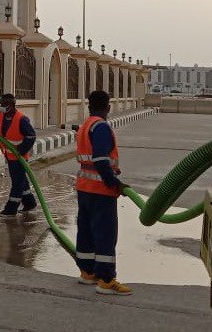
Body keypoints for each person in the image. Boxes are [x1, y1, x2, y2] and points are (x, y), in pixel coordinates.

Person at [75, 90, 132, 296]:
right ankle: (106, 280)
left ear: (89, 106)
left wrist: (111, 172)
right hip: (101, 191)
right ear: (108, 107)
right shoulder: (101, 127)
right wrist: (115, 183)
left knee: (86, 231)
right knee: (105, 234)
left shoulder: (85, 126)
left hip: (84, 188)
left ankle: (87, 272)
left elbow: (91, 160)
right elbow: (100, 160)